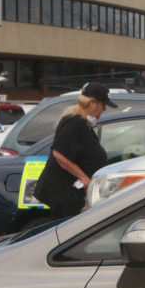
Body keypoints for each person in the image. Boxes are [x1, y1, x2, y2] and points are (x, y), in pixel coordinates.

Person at [33, 82, 114, 220]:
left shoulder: (83, 123)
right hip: (66, 198)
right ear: (92, 102)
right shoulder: (75, 122)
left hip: (73, 197)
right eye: (103, 104)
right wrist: (83, 177)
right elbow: (59, 153)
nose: (104, 109)